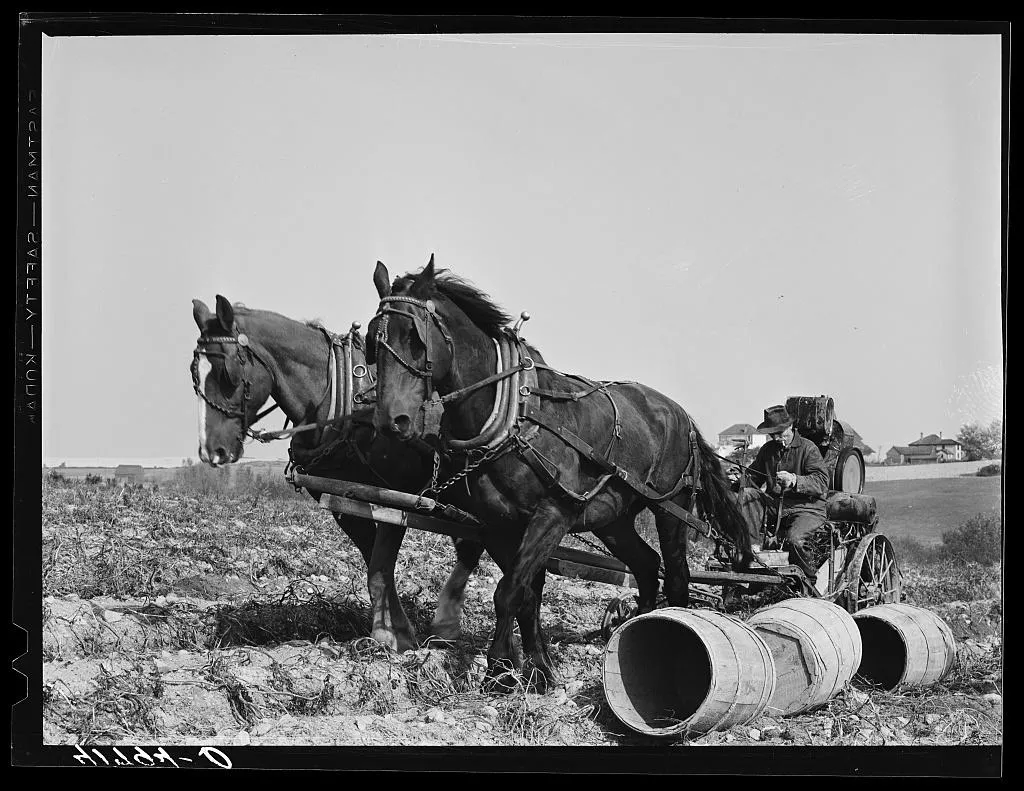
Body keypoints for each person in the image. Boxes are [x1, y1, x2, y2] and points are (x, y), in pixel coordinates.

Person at [737, 404, 831, 586]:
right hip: (777, 506)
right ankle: (753, 550)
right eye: (774, 435)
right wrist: (737, 479)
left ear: (791, 427)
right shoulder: (768, 450)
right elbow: (752, 476)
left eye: (781, 433)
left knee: (795, 540)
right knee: (748, 494)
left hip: (808, 509)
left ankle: (807, 582)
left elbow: (821, 482)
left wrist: (795, 480)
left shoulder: (808, 448)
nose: (778, 438)